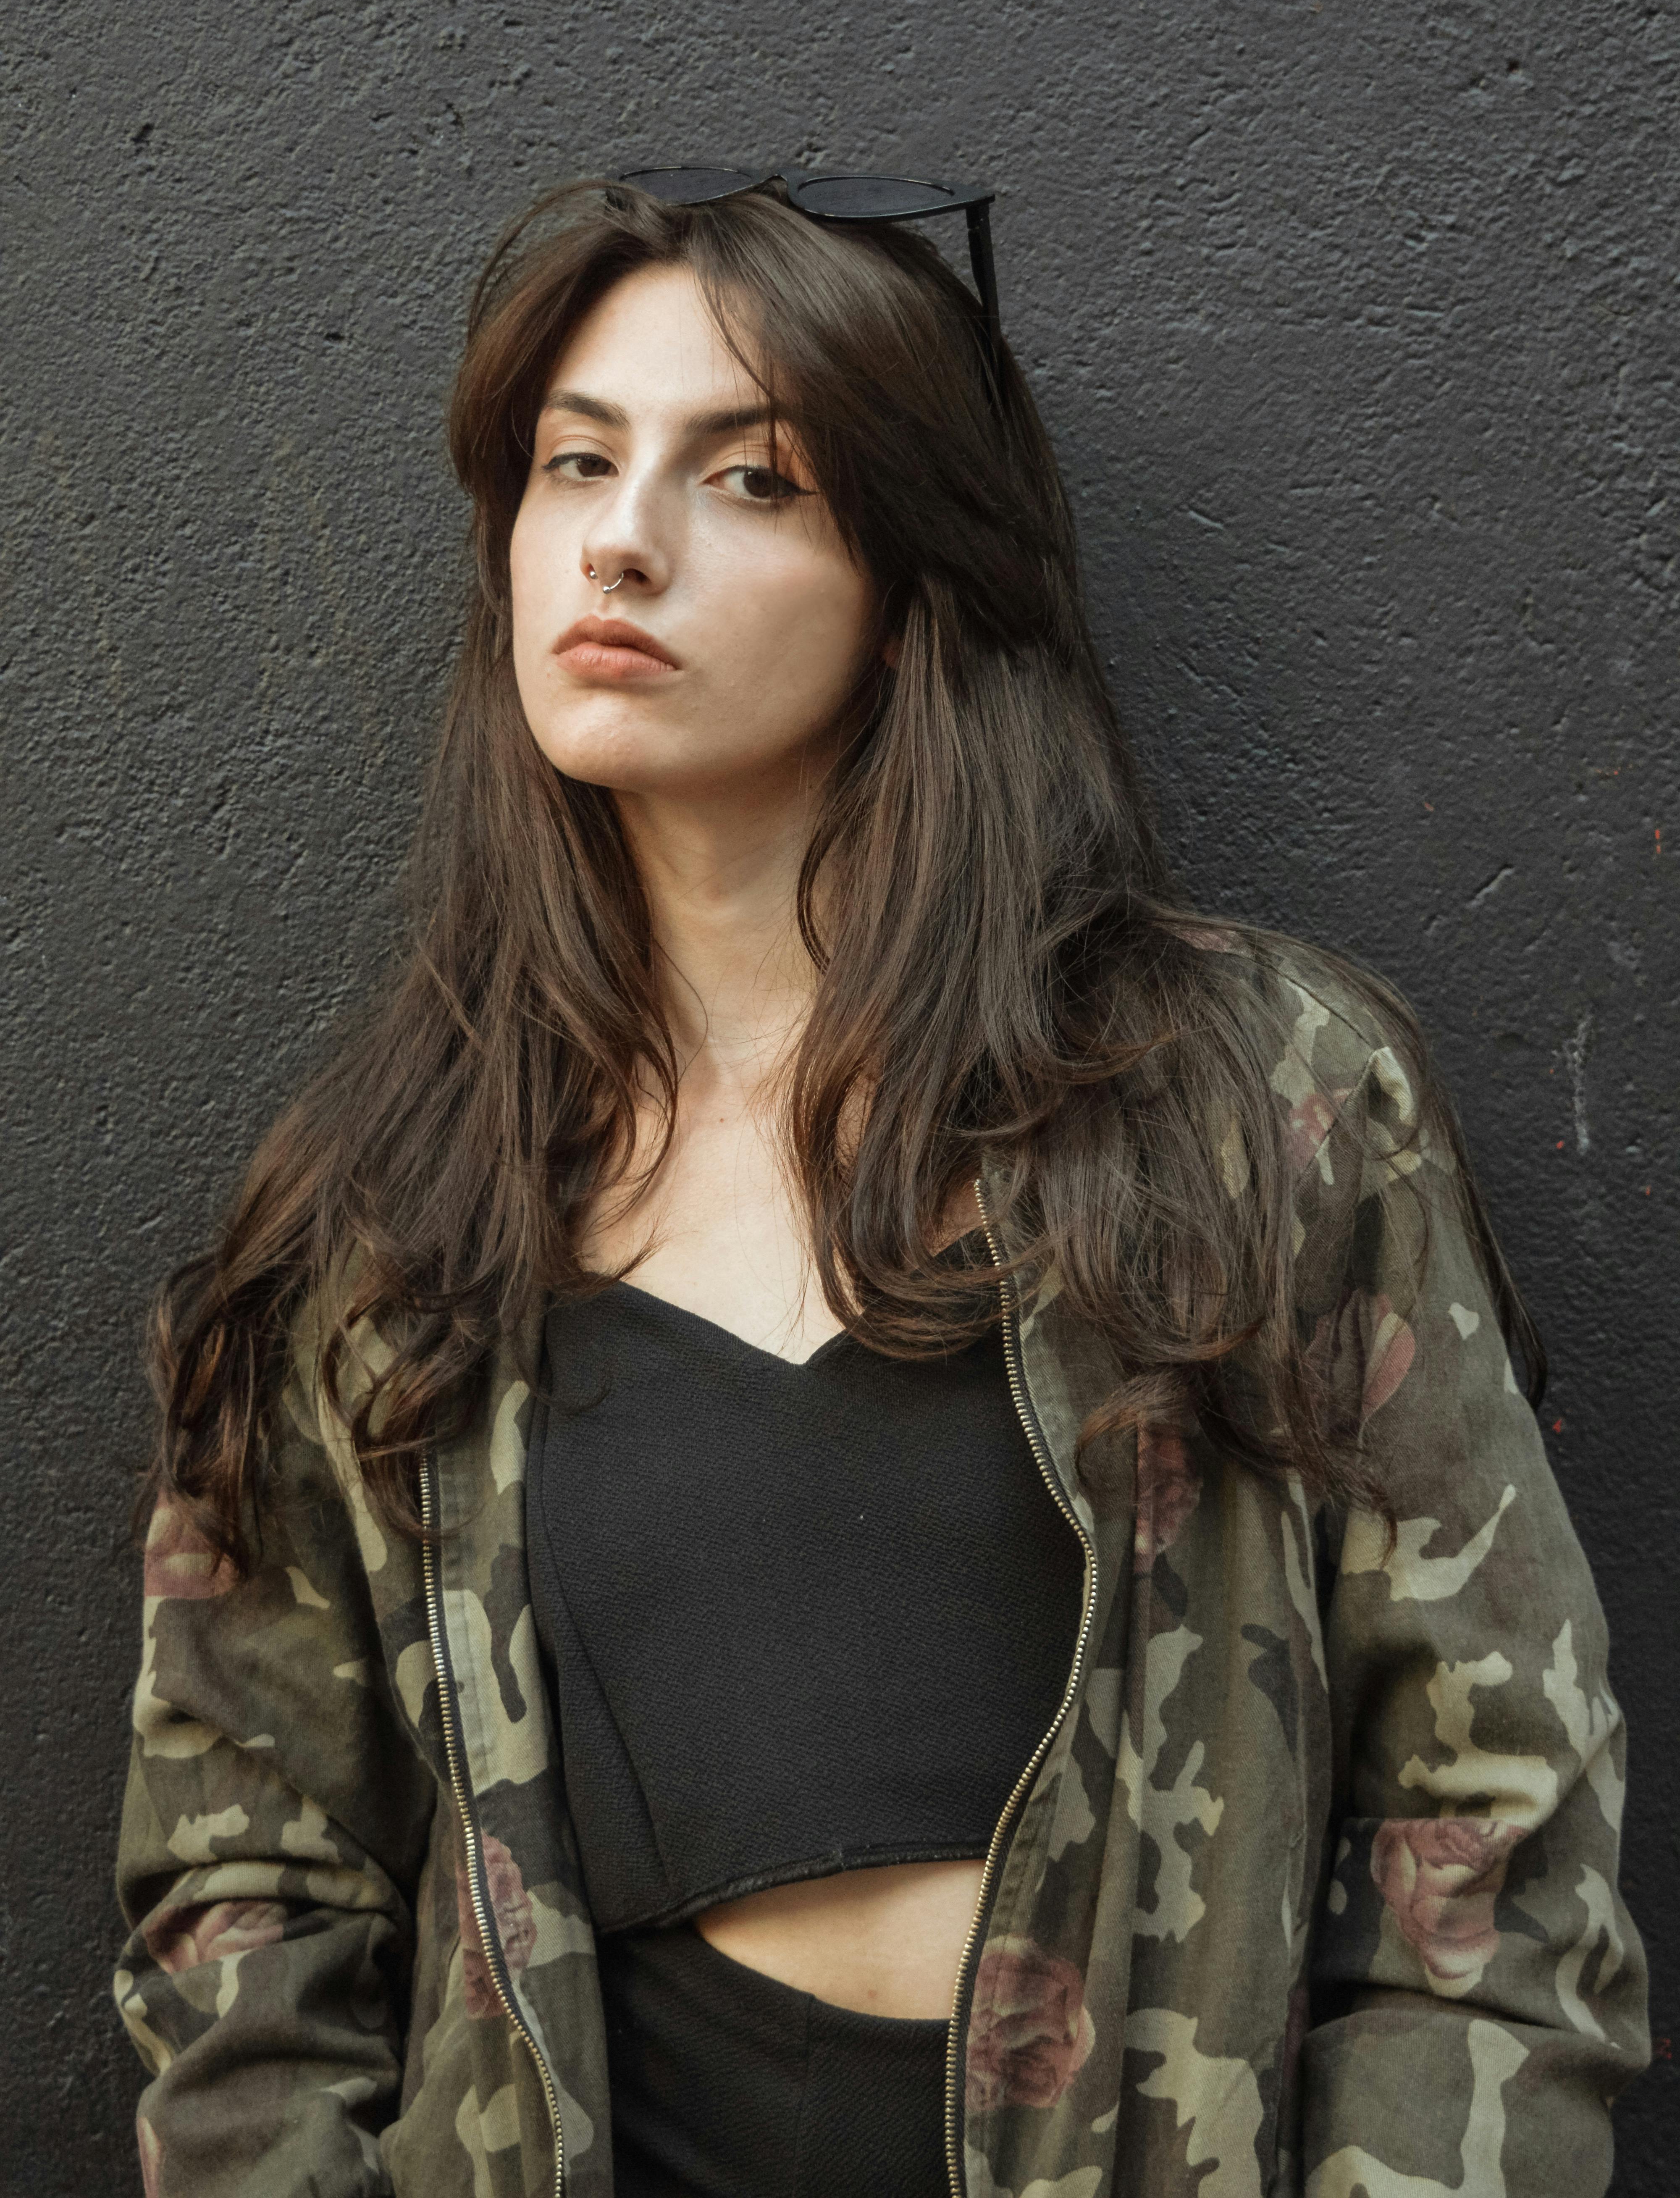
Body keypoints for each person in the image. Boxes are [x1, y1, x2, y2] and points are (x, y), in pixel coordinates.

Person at [114, 171, 1648, 2198]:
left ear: (911, 567)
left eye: (748, 479)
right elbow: (244, 1890)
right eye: (576, 461)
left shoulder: (1247, 1100)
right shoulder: (394, 1204)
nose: (621, 537)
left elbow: (1496, 1810)